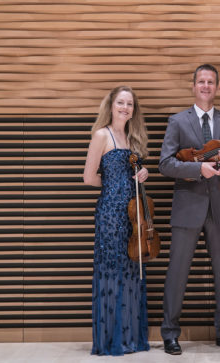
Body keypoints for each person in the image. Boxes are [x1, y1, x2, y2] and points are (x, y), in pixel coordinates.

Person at [159, 64, 220, 355]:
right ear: (193, 86)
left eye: (210, 82)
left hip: (219, 207)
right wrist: (199, 168)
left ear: (217, 87)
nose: (206, 86)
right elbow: (165, 164)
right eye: (201, 81)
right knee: (177, 272)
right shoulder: (177, 121)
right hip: (187, 207)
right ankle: (170, 333)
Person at [83, 85, 150, 356]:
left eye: (130, 104)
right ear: (111, 106)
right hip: (111, 214)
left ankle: (130, 338)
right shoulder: (102, 134)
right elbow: (88, 177)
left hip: (133, 215)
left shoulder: (133, 138)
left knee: (132, 271)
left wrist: (142, 172)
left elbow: (133, 172)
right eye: (121, 102)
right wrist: (114, 184)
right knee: (111, 272)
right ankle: (112, 340)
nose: (125, 108)